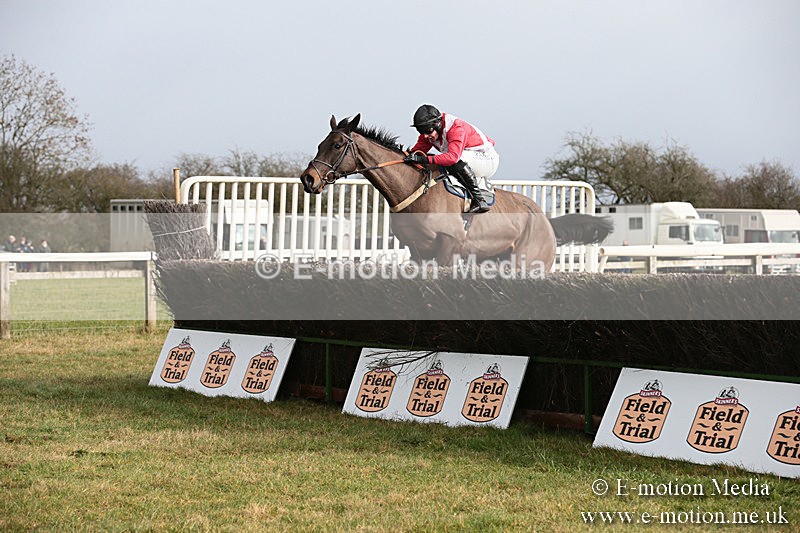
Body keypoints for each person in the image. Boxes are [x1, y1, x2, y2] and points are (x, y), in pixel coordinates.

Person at [404, 104, 499, 213]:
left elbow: (453, 158)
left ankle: (479, 199)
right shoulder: (429, 133)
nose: (425, 136)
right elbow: (415, 152)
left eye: (428, 131)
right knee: (439, 159)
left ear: (438, 124)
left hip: (487, 159)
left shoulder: (456, 128)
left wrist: (424, 160)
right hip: (468, 158)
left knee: (452, 159)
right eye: (421, 132)